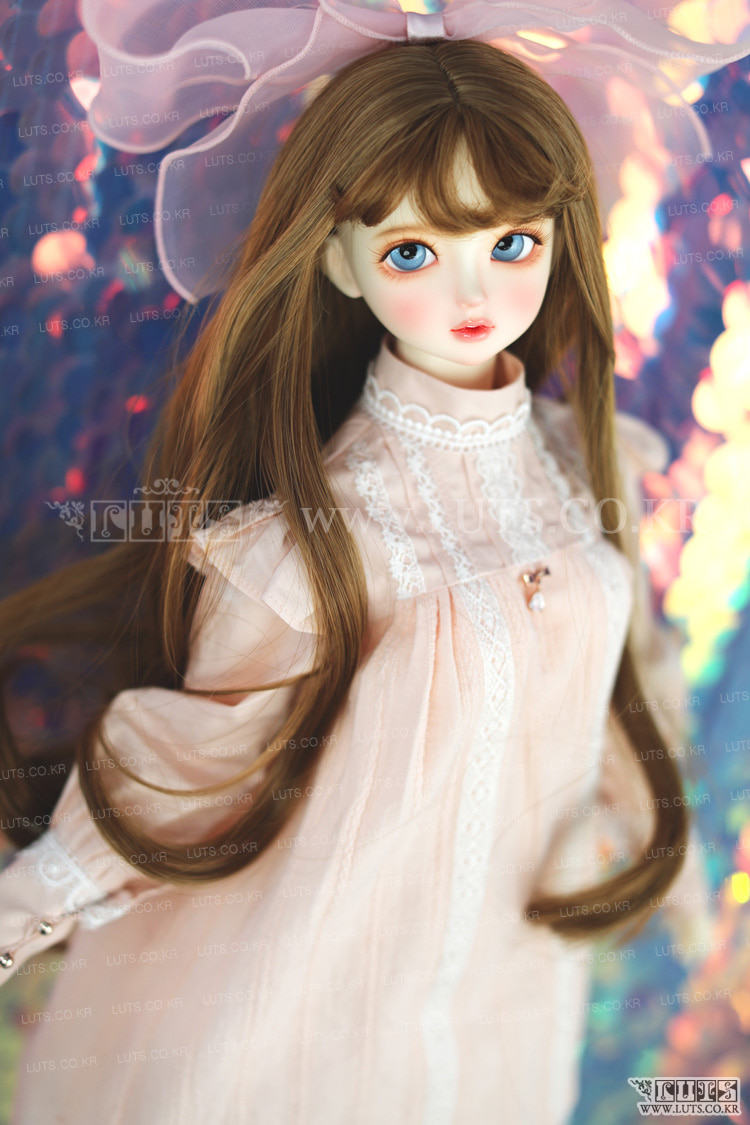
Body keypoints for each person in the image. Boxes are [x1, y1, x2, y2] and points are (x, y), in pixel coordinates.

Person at [0, 20, 728, 1125]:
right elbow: (196, 759)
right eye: (412, 253)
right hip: (308, 997)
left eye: (512, 242)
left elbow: (620, 668)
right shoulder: (318, 539)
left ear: (561, 233)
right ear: (342, 260)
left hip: (506, 983)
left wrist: (668, 851)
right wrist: (25, 908)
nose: (474, 289)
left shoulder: (584, 464)